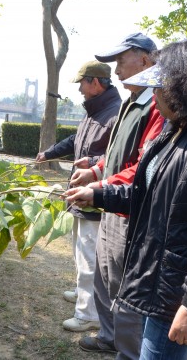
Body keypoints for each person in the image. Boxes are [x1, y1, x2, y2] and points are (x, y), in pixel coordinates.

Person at [65, 37, 187, 360]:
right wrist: (98, 195)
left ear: (183, 88)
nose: (154, 95)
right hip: (159, 282)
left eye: (159, 87)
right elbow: (146, 193)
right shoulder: (177, 130)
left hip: (178, 294)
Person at [69, 32, 165, 358]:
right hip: (112, 203)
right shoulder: (131, 103)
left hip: (129, 208)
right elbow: (117, 156)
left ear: (145, 60)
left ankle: (128, 349)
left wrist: (100, 187)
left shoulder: (157, 105)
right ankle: (109, 337)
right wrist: (96, 169)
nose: (118, 70)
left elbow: (143, 167)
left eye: (121, 61)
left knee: (125, 286)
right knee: (105, 276)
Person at [36, 60, 122, 332]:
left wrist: (93, 165)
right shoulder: (95, 111)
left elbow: (120, 158)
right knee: (80, 252)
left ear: (95, 83)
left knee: (90, 258)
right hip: (81, 195)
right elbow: (76, 141)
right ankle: (83, 292)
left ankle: (89, 314)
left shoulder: (115, 114)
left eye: (82, 84)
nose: (80, 90)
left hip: (97, 197)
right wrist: (48, 154)